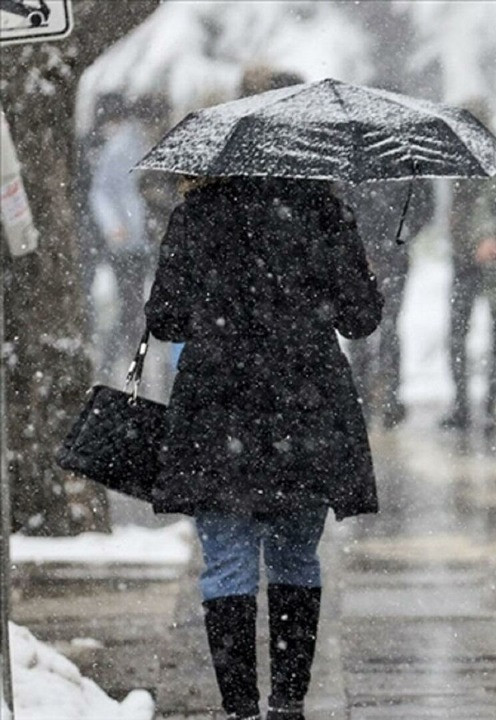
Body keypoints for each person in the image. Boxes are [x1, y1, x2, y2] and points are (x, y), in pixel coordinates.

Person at [146, 176, 382, 720]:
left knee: (227, 563)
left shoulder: (198, 213)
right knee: (296, 558)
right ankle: (288, 702)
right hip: (306, 409)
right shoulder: (325, 211)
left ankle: (240, 708)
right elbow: (361, 318)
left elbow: (165, 319)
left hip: (218, 408)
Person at [345, 181, 435, 428]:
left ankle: (386, 397)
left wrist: (399, 237)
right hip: (362, 255)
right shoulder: (360, 167)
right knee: (362, 327)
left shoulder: (405, 166)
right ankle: (364, 393)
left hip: (390, 258)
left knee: (387, 327)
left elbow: (425, 207)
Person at [438, 168, 496, 437]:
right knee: (459, 332)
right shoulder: (457, 170)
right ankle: (462, 404)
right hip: (464, 259)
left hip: (494, 259)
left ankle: (489, 407)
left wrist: (488, 236)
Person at [87, 92, 154, 381]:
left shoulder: (143, 142)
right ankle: (120, 362)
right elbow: (100, 190)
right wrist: (114, 224)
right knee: (130, 303)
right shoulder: (121, 147)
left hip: (141, 239)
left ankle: (128, 359)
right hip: (127, 241)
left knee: (136, 302)